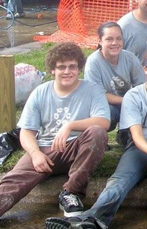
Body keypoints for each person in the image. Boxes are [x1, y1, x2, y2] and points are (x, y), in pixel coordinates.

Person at [45, 45, 147, 229]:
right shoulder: (133, 96)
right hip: (141, 148)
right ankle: (92, 220)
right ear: (145, 69)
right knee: (118, 181)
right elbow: (136, 135)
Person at [0, 42, 109, 220]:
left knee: (97, 132)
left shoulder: (92, 89)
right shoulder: (40, 92)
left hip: (76, 148)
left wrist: (70, 125)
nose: (67, 71)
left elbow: (103, 122)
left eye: (72, 66)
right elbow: (26, 131)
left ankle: (71, 193)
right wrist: (35, 154)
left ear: (79, 68)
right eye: (61, 67)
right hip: (45, 149)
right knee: (11, 184)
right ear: (52, 70)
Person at [84, 21, 145, 132]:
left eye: (118, 39)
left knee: (143, 109)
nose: (114, 43)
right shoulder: (93, 62)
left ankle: (126, 135)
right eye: (109, 39)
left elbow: (142, 86)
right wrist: (127, 100)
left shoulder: (130, 58)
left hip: (127, 103)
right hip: (102, 104)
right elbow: (97, 95)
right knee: (110, 114)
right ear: (100, 41)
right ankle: (98, 137)